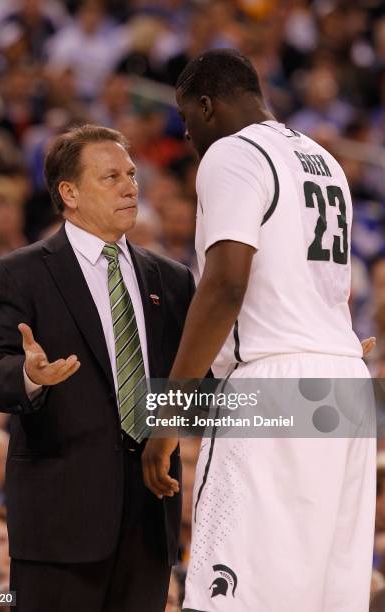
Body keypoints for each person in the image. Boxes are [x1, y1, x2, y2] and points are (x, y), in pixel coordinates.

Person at [142, 49, 376, 612]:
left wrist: (168, 416)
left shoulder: (233, 153)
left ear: (207, 105)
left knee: (233, 595)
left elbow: (225, 285)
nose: (190, 137)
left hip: (273, 382)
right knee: (323, 596)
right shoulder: (323, 158)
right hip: (345, 381)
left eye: (188, 121)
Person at [0, 124, 195, 611]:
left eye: (132, 174)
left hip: (150, 521)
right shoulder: (20, 273)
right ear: (68, 193)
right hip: (59, 528)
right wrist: (30, 376)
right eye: (111, 176)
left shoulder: (173, 280)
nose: (130, 186)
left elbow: (198, 381)